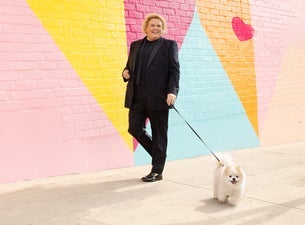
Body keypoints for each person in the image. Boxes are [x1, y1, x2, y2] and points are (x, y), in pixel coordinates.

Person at [122, 13, 180, 182]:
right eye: (153, 25)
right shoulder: (136, 45)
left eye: (159, 26)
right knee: (134, 128)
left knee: (159, 134)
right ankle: (159, 154)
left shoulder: (169, 45)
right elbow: (128, 67)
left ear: (162, 30)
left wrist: (172, 91)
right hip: (137, 97)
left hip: (159, 97)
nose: (156, 28)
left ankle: (157, 170)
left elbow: (174, 70)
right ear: (146, 27)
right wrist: (124, 74)